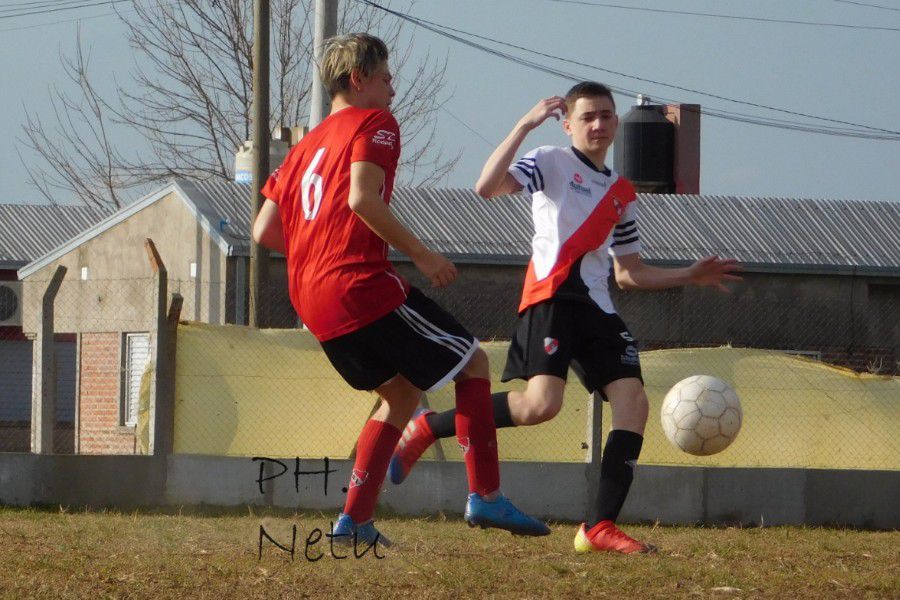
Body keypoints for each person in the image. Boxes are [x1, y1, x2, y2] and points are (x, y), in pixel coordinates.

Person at [388, 82, 742, 554]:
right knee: (541, 407)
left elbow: (629, 272)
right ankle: (429, 426)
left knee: (633, 402)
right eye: (589, 116)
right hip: (551, 298)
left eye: (607, 116)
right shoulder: (550, 160)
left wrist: (689, 275)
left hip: (597, 307)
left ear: (616, 123)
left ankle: (598, 527)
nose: (599, 125)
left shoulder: (622, 192)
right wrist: (522, 126)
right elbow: (486, 187)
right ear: (568, 124)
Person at [252, 33, 549, 549]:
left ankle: (354, 521)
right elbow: (363, 199)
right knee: (473, 363)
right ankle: (485, 495)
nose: (393, 89)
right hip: (357, 285)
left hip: (312, 299)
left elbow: (263, 232)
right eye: (386, 77)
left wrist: (316, 248)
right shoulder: (375, 124)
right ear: (358, 80)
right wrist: (424, 255)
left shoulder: (302, 146)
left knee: (400, 395)